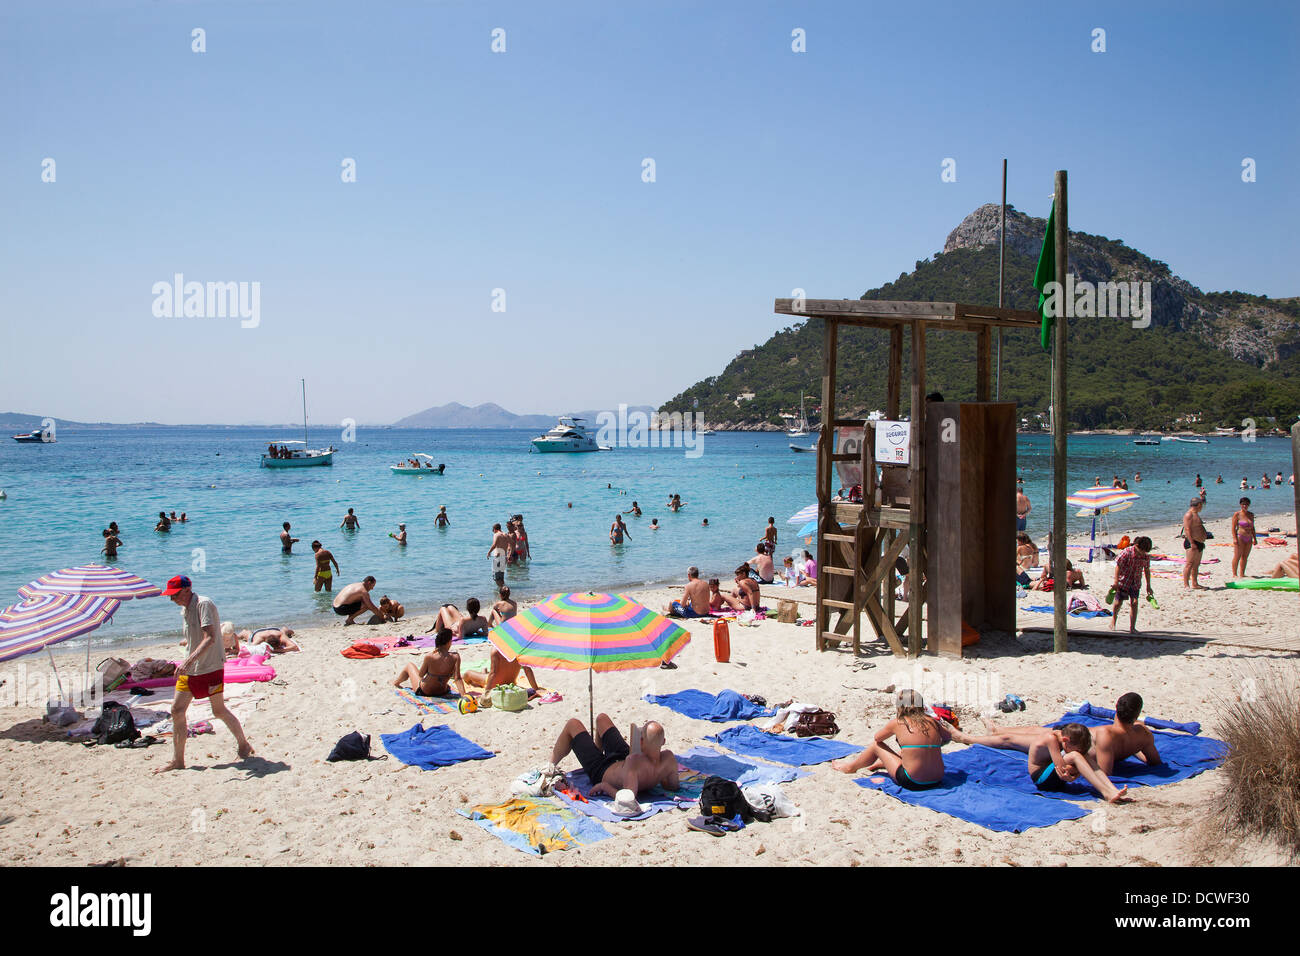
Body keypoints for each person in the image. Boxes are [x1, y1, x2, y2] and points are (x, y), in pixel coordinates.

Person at [153, 576, 253, 773]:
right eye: (170, 596)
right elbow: (194, 638)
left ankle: (243, 744)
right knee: (177, 710)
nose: (172, 599)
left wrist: (188, 661)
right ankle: (178, 761)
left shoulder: (203, 604)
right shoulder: (185, 609)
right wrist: (187, 659)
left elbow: (210, 637)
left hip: (210, 668)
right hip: (190, 670)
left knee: (218, 711)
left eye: (174, 595)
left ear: (187, 590)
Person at [945, 720, 1131, 803]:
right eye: (1070, 747)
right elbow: (1061, 769)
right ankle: (1106, 793)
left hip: (1051, 774)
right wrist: (1072, 774)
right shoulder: (1051, 739)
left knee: (1081, 757)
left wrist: (1076, 770)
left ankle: (1111, 790)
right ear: (1065, 741)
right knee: (1075, 756)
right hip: (1042, 779)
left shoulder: (1062, 737)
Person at [830, 689, 952, 788]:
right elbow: (948, 736)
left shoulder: (898, 723)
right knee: (912, 750)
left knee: (876, 746)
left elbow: (878, 738)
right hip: (937, 779)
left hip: (913, 781)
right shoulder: (932, 721)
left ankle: (850, 767)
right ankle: (880, 764)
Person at [548, 714, 678, 797]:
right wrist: (656, 776)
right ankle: (596, 752)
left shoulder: (634, 763)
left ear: (641, 741)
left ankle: (549, 766)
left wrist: (604, 786)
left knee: (573, 724)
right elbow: (672, 786)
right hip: (623, 759)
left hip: (601, 771)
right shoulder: (669, 759)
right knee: (601, 718)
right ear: (664, 742)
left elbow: (627, 797)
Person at [1091, 692, 1162, 775]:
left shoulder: (1105, 734)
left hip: (1077, 741)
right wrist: (1134, 747)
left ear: (1117, 707)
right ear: (1138, 714)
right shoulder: (1143, 734)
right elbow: (1155, 761)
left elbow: (1104, 774)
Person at [393, 629, 466, 698]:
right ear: (449, 642)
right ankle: (396, 682)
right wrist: (463, 695)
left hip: (425, 692)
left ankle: (396, 682)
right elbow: (458, 678)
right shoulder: (456, 656)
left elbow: (421, 674)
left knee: (410, 665)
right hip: (442, 691)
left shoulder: (430, 656)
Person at [1109, 536, 1154, 633]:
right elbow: (1118, 566)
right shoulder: (1127, 552)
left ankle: (1132, 627)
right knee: (1118, 603)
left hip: (1135, 582)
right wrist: (1116, 582)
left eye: (1145, 551)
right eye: (1141, 550)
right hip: (1123, 582)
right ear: (1136, 546)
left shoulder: (1145, 556)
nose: (1143, 553)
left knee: (1134, 602)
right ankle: (1113, 619)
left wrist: (1148, 585)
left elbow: (1146, 570)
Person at [1181, 497, 1207, 589]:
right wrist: (1192, 543)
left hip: (1199, 542)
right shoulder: (1189, 515)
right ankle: (1186, 584)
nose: (1202, 507)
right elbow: (1187, 529)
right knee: (1189, 564)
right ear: (1199, 505)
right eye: (1201, 505)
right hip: (1192, 542)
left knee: (1196, 564)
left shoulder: (1196, 514)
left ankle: (1195, 583)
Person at [1230, 496, 1256, 578]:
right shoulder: (1237, 514)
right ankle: (1234, 574)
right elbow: (1233, 527)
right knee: (1237, 556)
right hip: (1240, 536)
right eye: (1243, 504)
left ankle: (1242, 573)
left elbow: (1253, 528)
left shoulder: (1251, 515)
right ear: (1240, 505)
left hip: (1249, 538)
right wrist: (1234, 538)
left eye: (1247, 504)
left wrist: (1255, 538)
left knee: (1245, 556)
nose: (1245, 506)